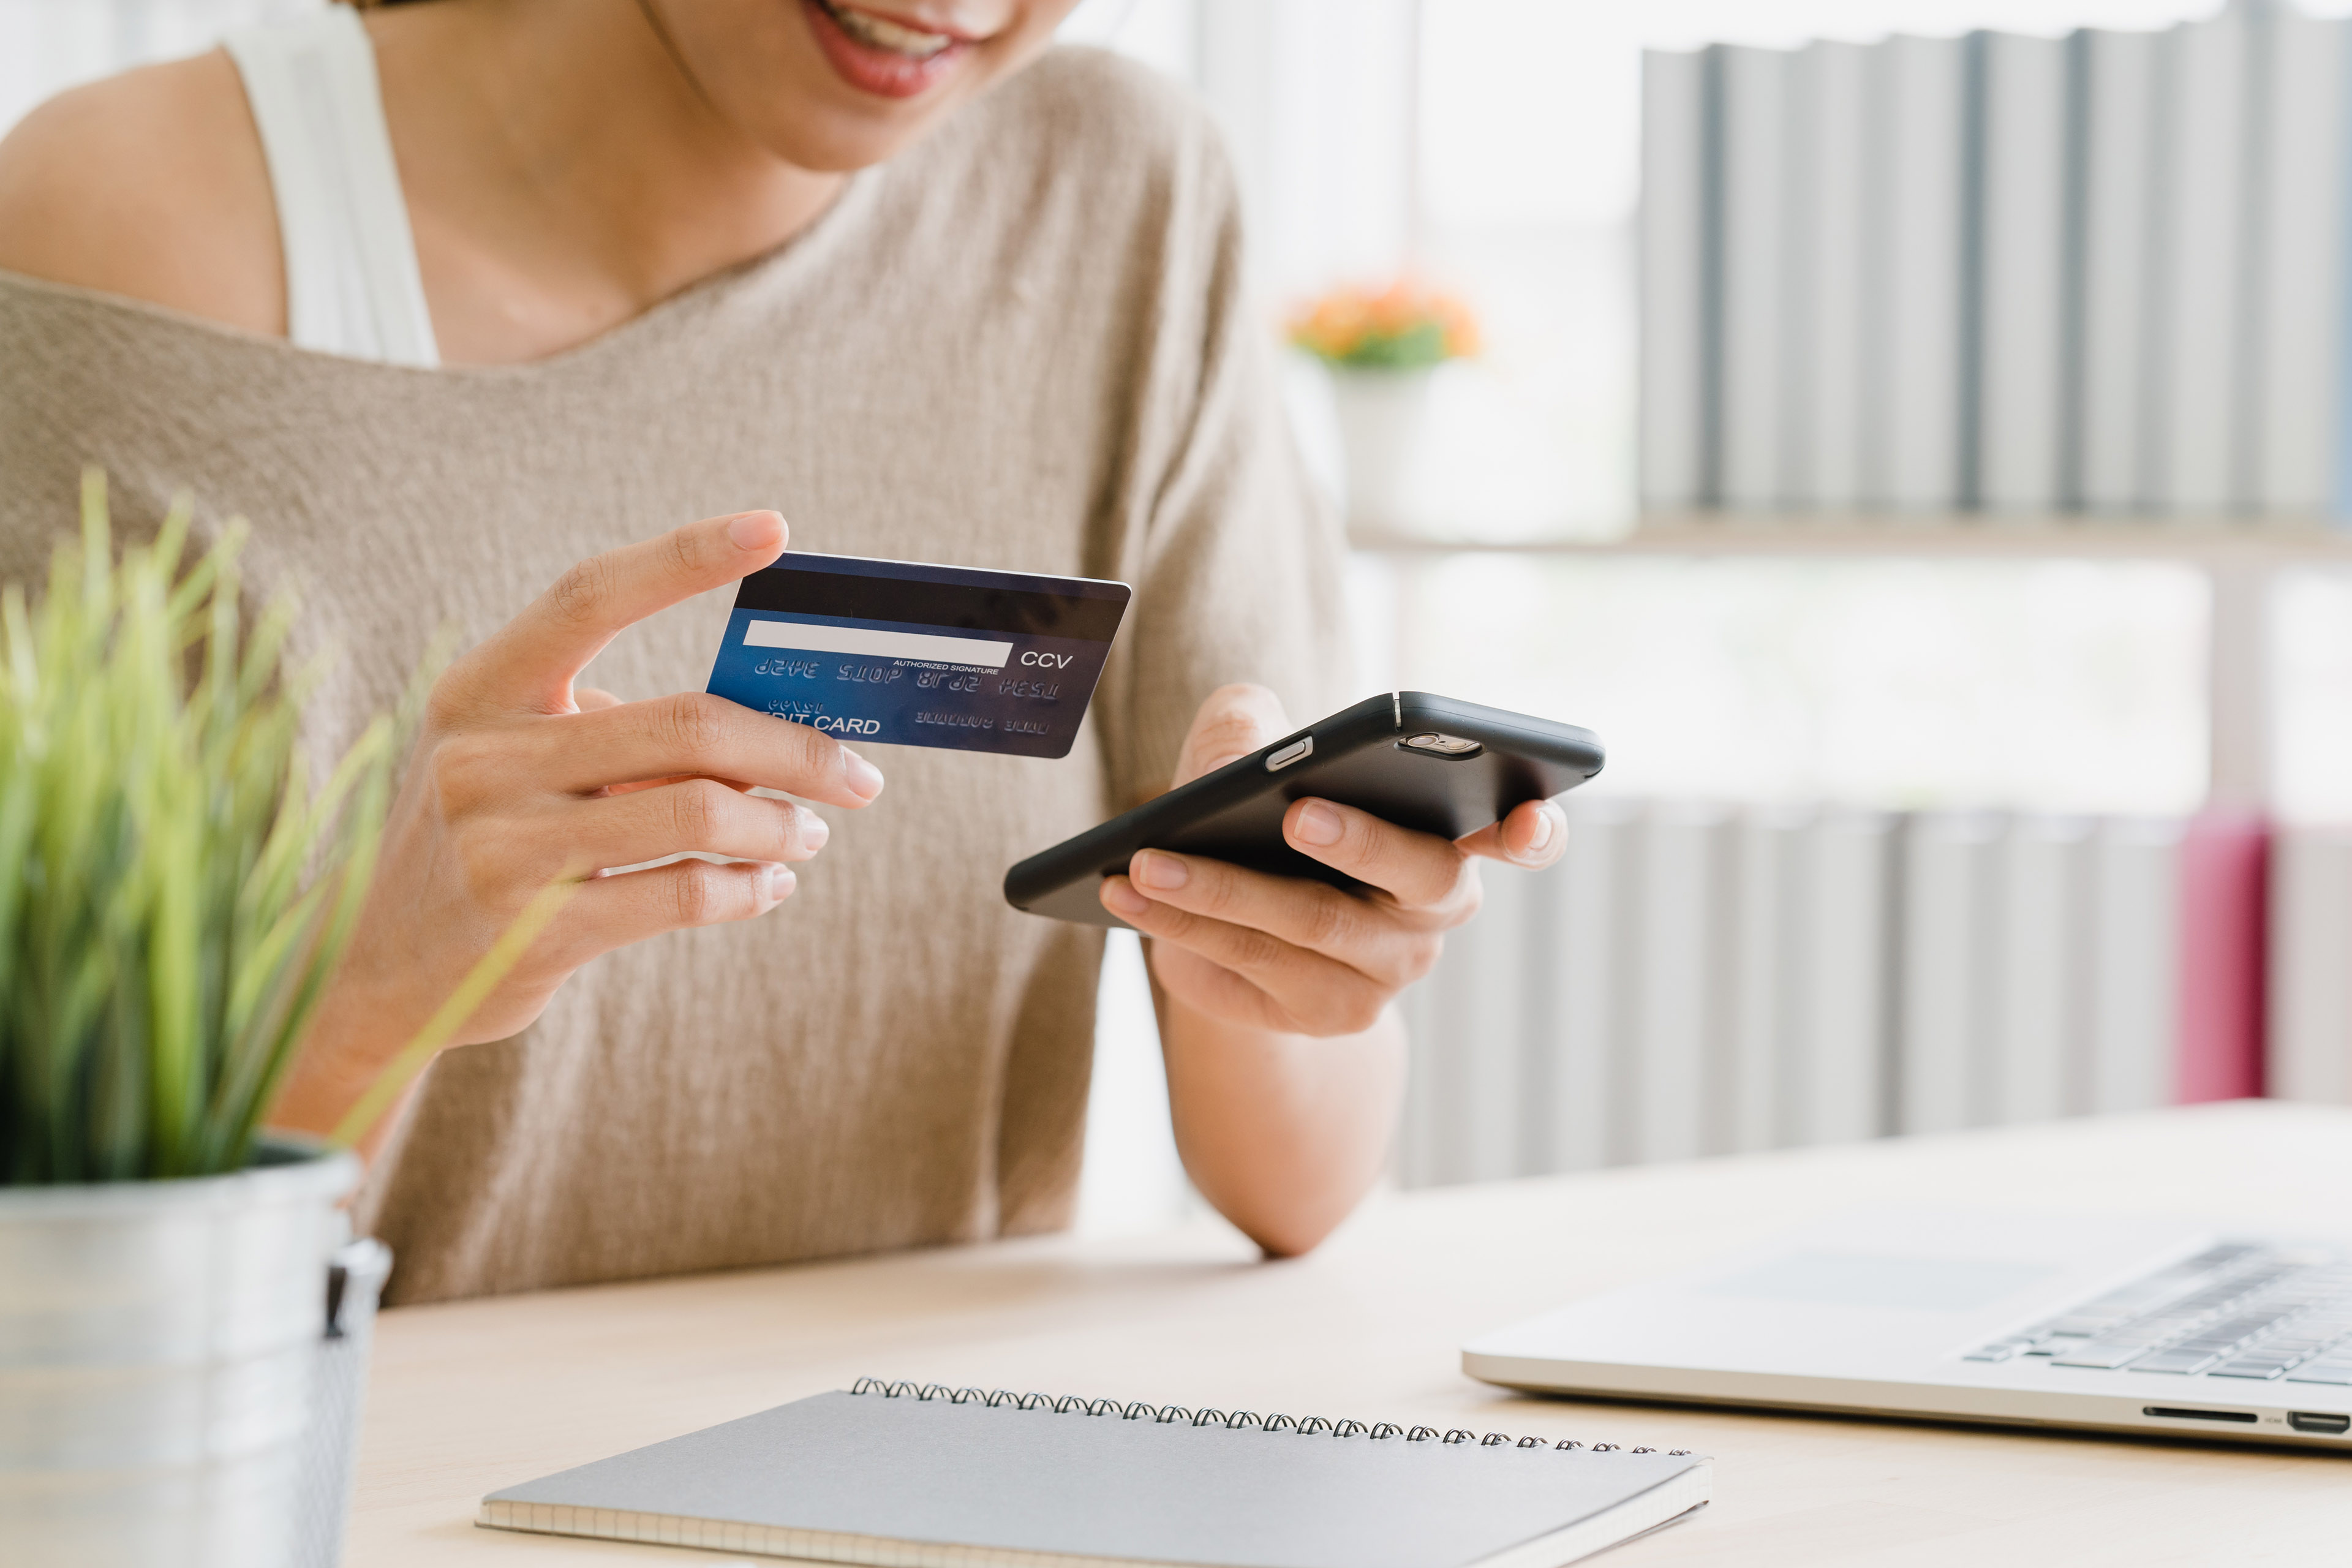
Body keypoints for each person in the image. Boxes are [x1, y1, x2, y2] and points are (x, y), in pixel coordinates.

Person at [0, 0, 1567, 1303]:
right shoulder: (134, 218)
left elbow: (1300, 1183)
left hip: (939, 1490)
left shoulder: (1114, 200)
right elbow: (61, 1297)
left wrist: (1257, 960)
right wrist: (370, 993)